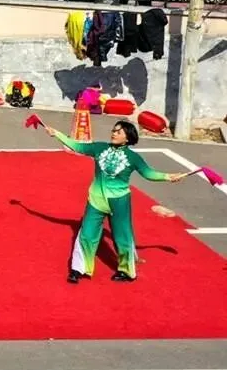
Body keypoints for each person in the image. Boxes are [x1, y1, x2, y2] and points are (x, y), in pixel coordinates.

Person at [44, 120, 184, 283]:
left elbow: (148, 174)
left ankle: (126, 271)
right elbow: (77, 146)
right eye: (113, 130)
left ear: (127, 138)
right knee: (86, 234)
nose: (114, 133)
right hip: (96, 199)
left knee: (122, 237)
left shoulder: (133, 158)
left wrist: (168, 177)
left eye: (119, 132)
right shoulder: (99, 148)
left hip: (120, 202)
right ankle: (78, 269)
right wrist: (57, 134)